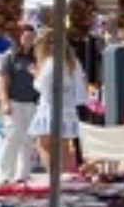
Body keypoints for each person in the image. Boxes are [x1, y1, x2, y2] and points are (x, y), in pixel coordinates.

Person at [29, 31, 86, 176]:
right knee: (63, 148)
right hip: (67, 110)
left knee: (44, 145)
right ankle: (64, 180)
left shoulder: (50, 62)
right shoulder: (72, 61)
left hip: (50, 109)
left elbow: (42, 86)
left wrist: (36, 75)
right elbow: (80, 90)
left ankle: (53, 179)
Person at [0, 25, 40, 184]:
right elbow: (2, 81)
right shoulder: (10, 57)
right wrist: (5, 101)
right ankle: (4, 175)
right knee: (11, 138)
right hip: (14, 101)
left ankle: (23, 174)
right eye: (25, 36)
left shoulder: (36, 57)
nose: (28, 40)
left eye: (31, 37)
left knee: (27, 139)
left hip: (31, 103)